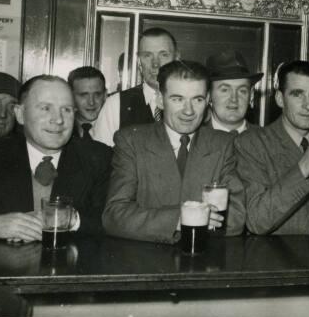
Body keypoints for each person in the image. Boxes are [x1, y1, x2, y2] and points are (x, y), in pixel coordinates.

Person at [102, 60, 246, 242]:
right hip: (146, 257)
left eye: (197, 99)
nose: (188, 111)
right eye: (178, 99)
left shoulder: (222, 144)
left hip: (205, 256)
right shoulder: (132, 141)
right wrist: (179, 219)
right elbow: (114, 216)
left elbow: (235, 219)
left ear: (208, 100)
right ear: (160, 100)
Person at [0, 75, 112, 241]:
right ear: (20, 114)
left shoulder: (99, 158)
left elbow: (113, 222)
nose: (58, 119)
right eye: (45, 108)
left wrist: (71, 219)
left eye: (66, 110)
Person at [234, 60, 309, 235]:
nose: (308, 105)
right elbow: (256, 221)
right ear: (280, 99)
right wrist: (302, 168)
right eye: (297, 94)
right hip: (274, 252)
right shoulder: (252, 143)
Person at [92, 27, 178, 146]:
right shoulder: (116, 104)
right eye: (147, 55)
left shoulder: (192, 104)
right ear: (138, 61)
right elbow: (99, 155)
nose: (155, 64)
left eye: (163, 55)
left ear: (176, 59)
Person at [204, 50, 264, 134]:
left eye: (242, 91)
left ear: (251, 95)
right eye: (225, 90)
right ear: (209, 95)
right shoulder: (194, 139)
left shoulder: (266, 139)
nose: (234, 99)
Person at [67, 66, 107, 141]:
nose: (91, 102)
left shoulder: (116, 126)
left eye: (97, 94)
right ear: (70, 96)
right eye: (83, 95)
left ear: (105, 95)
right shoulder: (62, 128)